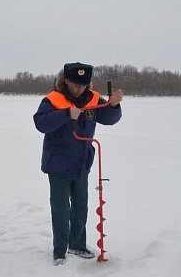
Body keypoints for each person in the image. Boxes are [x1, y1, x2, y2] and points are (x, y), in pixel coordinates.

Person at [33, 62, 123, 266]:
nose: (80, 88)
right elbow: (40, 122)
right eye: (75, 84)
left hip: (82, 164)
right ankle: (59, 251)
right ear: (66, 81)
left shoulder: (92, 98)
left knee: (81, 206)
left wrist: (114, 105)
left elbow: (108, 118)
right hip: (58, 164)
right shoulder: (52, 99)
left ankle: (77, 244)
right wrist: (65, 114)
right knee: (61, 209)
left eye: (83, 84)